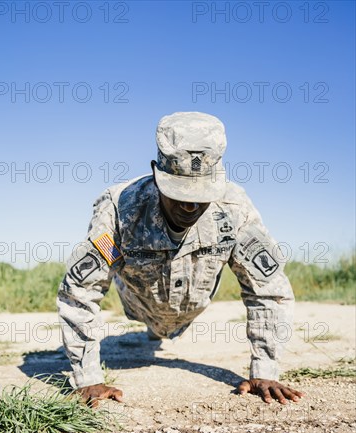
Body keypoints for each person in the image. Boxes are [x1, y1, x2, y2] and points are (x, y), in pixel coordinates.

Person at [57, 111, 303, 407]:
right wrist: (87, 377)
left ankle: (160, 332)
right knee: (147, 321)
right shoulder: (120, 208)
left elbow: (268, 289)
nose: (189, 205)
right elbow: (80, 291)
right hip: (138, 304)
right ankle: (153, 330)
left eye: (201, 193)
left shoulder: (234, 209)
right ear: (155, 174)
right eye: (178, 191)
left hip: (192, 306)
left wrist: (265, 370)